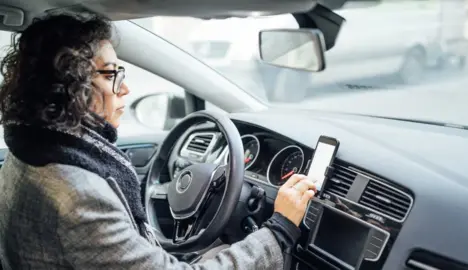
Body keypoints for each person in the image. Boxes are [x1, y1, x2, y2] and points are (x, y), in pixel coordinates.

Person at [0, 13, 317, 269]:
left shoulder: (26, 148)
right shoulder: (80, 196)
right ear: (70, 87)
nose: (126, 90)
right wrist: (280, 229)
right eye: (113, 76)